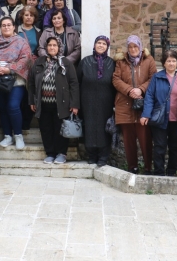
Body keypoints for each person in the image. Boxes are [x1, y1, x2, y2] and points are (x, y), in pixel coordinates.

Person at [28, 36, 80, 164]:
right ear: (46, 47)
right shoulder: (39, 62)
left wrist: (74, 104)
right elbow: (31, 83)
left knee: (60, 129)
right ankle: (50, 153)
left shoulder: (66, 63)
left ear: (59, 47)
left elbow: (74, 84)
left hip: (61, 104)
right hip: (43, 103)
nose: (52, 47)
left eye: (54, 45)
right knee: (46, 129)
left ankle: (61, 153)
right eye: (50, 45)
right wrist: (32, 101)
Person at [140, 49, 177, 176]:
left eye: (173, 61)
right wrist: (146, 114)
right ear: (164, 63)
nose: (171, 63)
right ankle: (159, 172)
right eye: (168, 61)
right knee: (159, 146)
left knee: (175, 147)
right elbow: (149, 96)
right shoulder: (157, 77)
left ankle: (172, 172)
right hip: (160, 119)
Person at [0, 16, 34, 149]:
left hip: (16, 79)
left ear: (14, 27)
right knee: (2, 108)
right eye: (4, 25)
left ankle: (18, 135)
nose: (6, 27)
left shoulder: (21, 42)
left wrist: (9, 69)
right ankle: (7, 136)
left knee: (13, 106)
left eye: (9, 25)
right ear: (0, 28)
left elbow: (26, 59)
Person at [113, 35, 156, 174]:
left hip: (143, 105)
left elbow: (153, 78)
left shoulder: (149, 60)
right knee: (129, 140)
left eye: (135, 46)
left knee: (145, 139)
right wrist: (130, 90)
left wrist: (141, 89)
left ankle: (148, 167)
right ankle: (132, 167)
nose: (133, 49)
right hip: (125, 105)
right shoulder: (121, 62)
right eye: (130, 47)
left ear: (140, 47)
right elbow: (116, 79)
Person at [77, 36, 116, 166]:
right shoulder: (85, 62)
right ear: (94, 45)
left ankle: (103, 157)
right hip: (87, 102)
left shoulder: (112, 63)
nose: (101, 45)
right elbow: (77, 82)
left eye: (104, 43)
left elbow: (115, 84)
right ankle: (92, 156)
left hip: (106, 103)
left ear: (107, 47)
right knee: (89, 128)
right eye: (98, 43)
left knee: (104, 129)